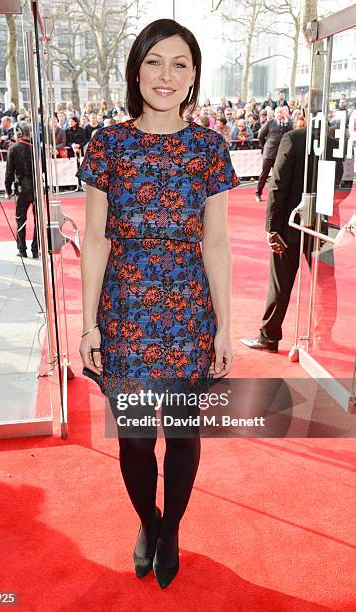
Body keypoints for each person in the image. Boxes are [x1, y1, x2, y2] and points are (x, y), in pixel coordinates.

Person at [78, 18, 239, 589]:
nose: (166, 75)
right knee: (138, 440)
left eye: (179, 64)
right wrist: (88, 325)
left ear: (194, 76)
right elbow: (96, 238)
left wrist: (224, 326)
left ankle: (172, 529)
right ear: (135, 70)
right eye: (154, 61)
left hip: (189, 313)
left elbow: (215, 242)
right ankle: (148, 523)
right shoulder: (108, 145)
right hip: (124, 315)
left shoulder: (208, 148)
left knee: (184, 434)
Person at [240, 127, 342, 352]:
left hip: (290, 226)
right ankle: (322, 336)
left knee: (280, 284)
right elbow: (338, 185)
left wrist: (271, 227)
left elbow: (278, 184)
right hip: (320, 226)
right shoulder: (332, 143)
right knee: (325, 283)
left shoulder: (294, 138)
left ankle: (269, 337)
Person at [4, 122, 39, 258]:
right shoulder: (36, 148)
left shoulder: (13, 149)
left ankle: (22, 249)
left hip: (22, 189)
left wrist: (8, 190)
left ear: (18, 133)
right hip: (36, 188)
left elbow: (9, 172)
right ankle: (35, 249)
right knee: (38, 220)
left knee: (20, 219)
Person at [255, 107, 292, 202]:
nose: (279, 114)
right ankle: (258, 193)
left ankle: (279, 195)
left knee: (280, 175)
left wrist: (287, 123)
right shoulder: (270, 123)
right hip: (269, 153)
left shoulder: (287, 124)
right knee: (264, 174)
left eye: (281, 112)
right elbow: (260, 136)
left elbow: (292, 134)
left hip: (280, 154)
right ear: (275, 114)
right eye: (278, 112)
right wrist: (265, 146)